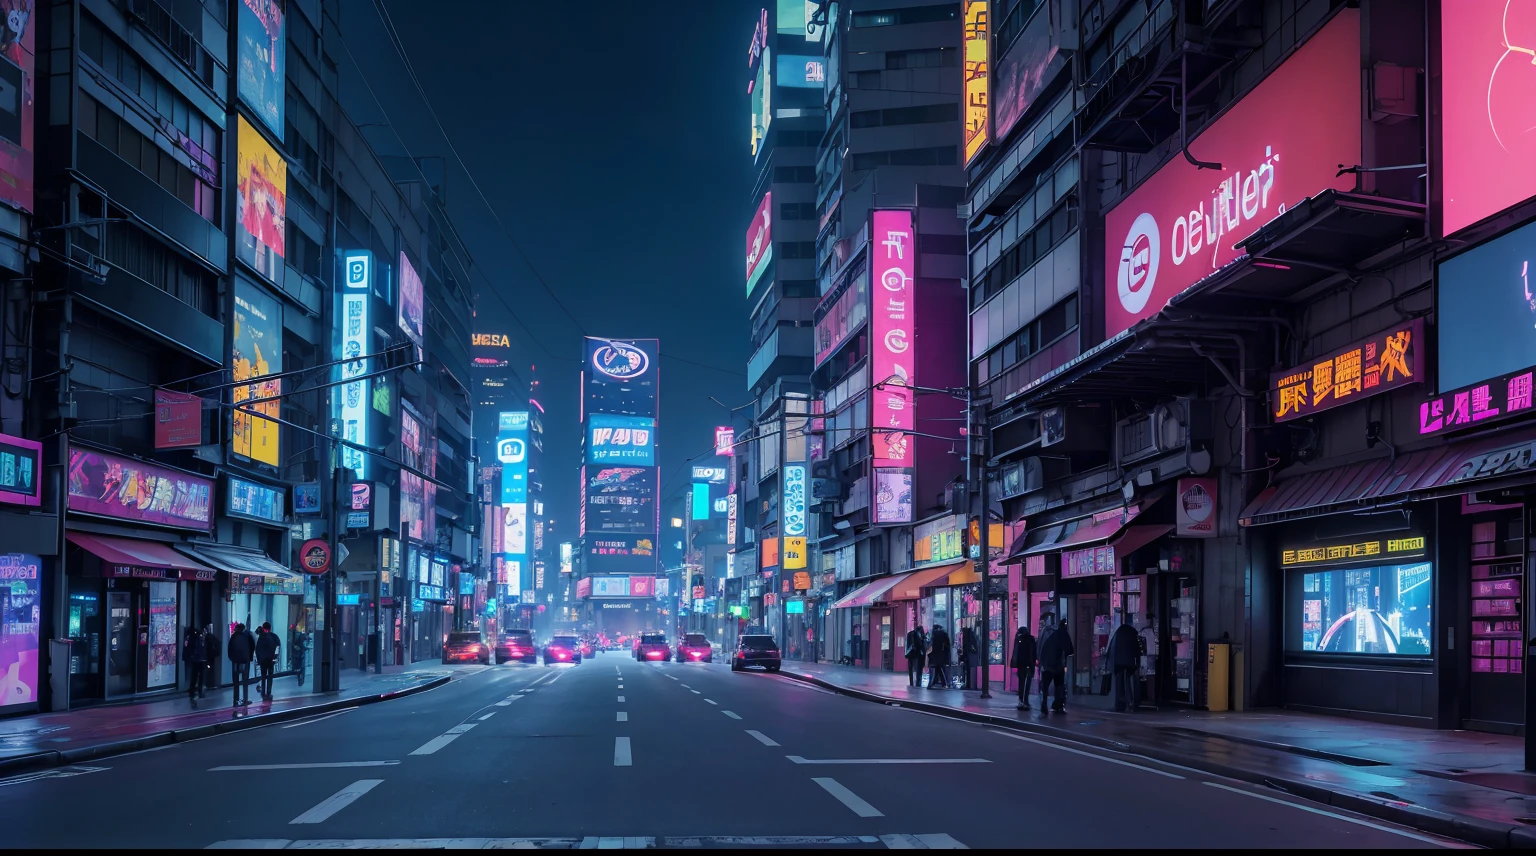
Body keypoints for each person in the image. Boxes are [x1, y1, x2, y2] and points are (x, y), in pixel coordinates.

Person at [1038, 614, 1074, 713]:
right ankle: (1058, 704)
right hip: (1058, 664)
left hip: (1046, 664)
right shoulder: (1062, 633)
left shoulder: (1044, 632)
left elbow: (1040, 648)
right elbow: (1069, 649)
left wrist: (1041, 662)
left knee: (1045, 686)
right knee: (1059, 685)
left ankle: (1044, 705)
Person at [1107, 614, 1141, 712]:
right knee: (1127, 681)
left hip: (1118, 663)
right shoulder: (1132, 634)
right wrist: (1137, 663)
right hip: (1129, 662)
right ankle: (1129, 701)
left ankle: (1120, 702)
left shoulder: (1118, 633)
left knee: (1119, 682)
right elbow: (1136, 649)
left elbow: (1112, 649)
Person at [227, 622, 256, 707]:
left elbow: (229, 648)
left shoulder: (233, 636)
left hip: (235, 661)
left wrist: (232, 658)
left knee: (236, 682)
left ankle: (235, 700)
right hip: (245, 660)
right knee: (245, 681)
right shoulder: (247, 636)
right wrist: (249, 657)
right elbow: (252, 646)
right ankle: (245, 699)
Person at [1012, 625, 1037, 711]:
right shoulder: (1031, 639)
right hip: (1029, 665)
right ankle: (1025, 701)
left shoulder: (1019, 640)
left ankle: (1021, 701)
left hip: (1021, 665)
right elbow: (1034, 653)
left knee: (1021, 684)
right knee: (1027, 684)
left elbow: (1016, 653)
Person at [255, 621, 281, 700]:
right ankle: (269, 692)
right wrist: (275, 657)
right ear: (270, 628)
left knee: (263, 676)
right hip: (270, 660)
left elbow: (257, 649)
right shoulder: (274, 636)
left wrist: (259, 659)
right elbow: (278, 646)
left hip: (263, 660)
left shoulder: (260, 637)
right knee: (270, 676)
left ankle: (263, 692)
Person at [183, 626, 207, 707]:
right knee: (200, 676)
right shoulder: (200, 638)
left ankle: (192, 692)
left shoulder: (191, 637)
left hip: (196, 660)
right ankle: (199, 692)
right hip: (201, 659)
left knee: (194, 676)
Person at [928, 623, 951, 689]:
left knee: (936, 669)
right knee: (940, 669)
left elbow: (931, 645)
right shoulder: (944, 634)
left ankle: (932, 684)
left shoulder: (934, 635)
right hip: (941, 654)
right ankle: (944, 684)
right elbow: (947, 646)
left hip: (935, 654)